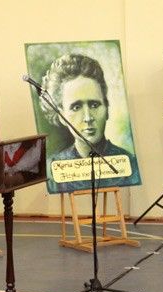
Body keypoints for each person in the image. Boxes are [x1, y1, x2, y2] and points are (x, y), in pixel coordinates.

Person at [41, 54, 140, 193]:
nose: (88, 118)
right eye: (76, 107)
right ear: (61, 116)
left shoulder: (129, 165)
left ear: (107, 108)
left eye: (94, 105)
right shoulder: (53, 170)